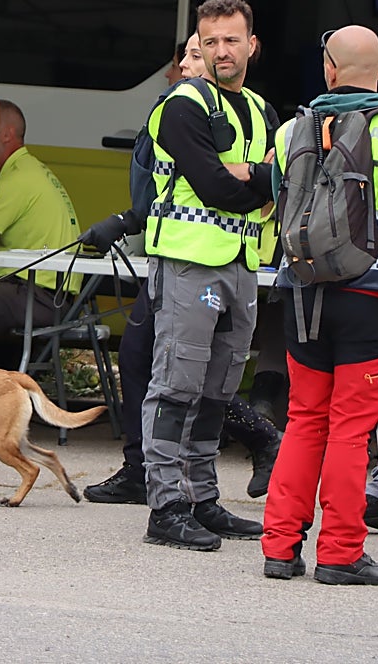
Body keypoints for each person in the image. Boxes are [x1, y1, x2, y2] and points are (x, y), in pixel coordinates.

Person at [83, 34, 281, 505]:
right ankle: (147, 469)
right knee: (147, 361)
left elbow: (216, 184)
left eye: (201, 53)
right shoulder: (171, 109)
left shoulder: (226, 112)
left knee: (178, 373)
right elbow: (171, 187)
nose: (194, 62)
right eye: (190, 54)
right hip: (176, 252)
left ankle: (249, 444)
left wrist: (246, 174)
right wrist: (127, 220)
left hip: (204, 260)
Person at [137, 0, 274, 551]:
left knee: (218, 389)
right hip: (190, 262)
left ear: (251, 44)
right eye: (210, 41)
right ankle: (166, 507)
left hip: (240, 265)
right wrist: (262, 179)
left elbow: (283, 182)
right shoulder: (183, 104)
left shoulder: (262, 108)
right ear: (199, 44)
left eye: (231, 40)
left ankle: (202, 499)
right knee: (176, 385)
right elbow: (217, 187)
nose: (221, 51)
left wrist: (256, 175)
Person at [263, 25, 378, 584]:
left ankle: (280, 547)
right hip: (368, 298)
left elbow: (273, 198)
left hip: (302, 292)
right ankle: (340, 553)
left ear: (330, 70)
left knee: (304, 419)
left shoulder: (291, 131)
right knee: (351, 429)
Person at [0, 98, 80, 373]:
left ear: (6, 134)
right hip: (52, 294)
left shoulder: (16, 179)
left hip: (37, 296)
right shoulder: (30, 169)